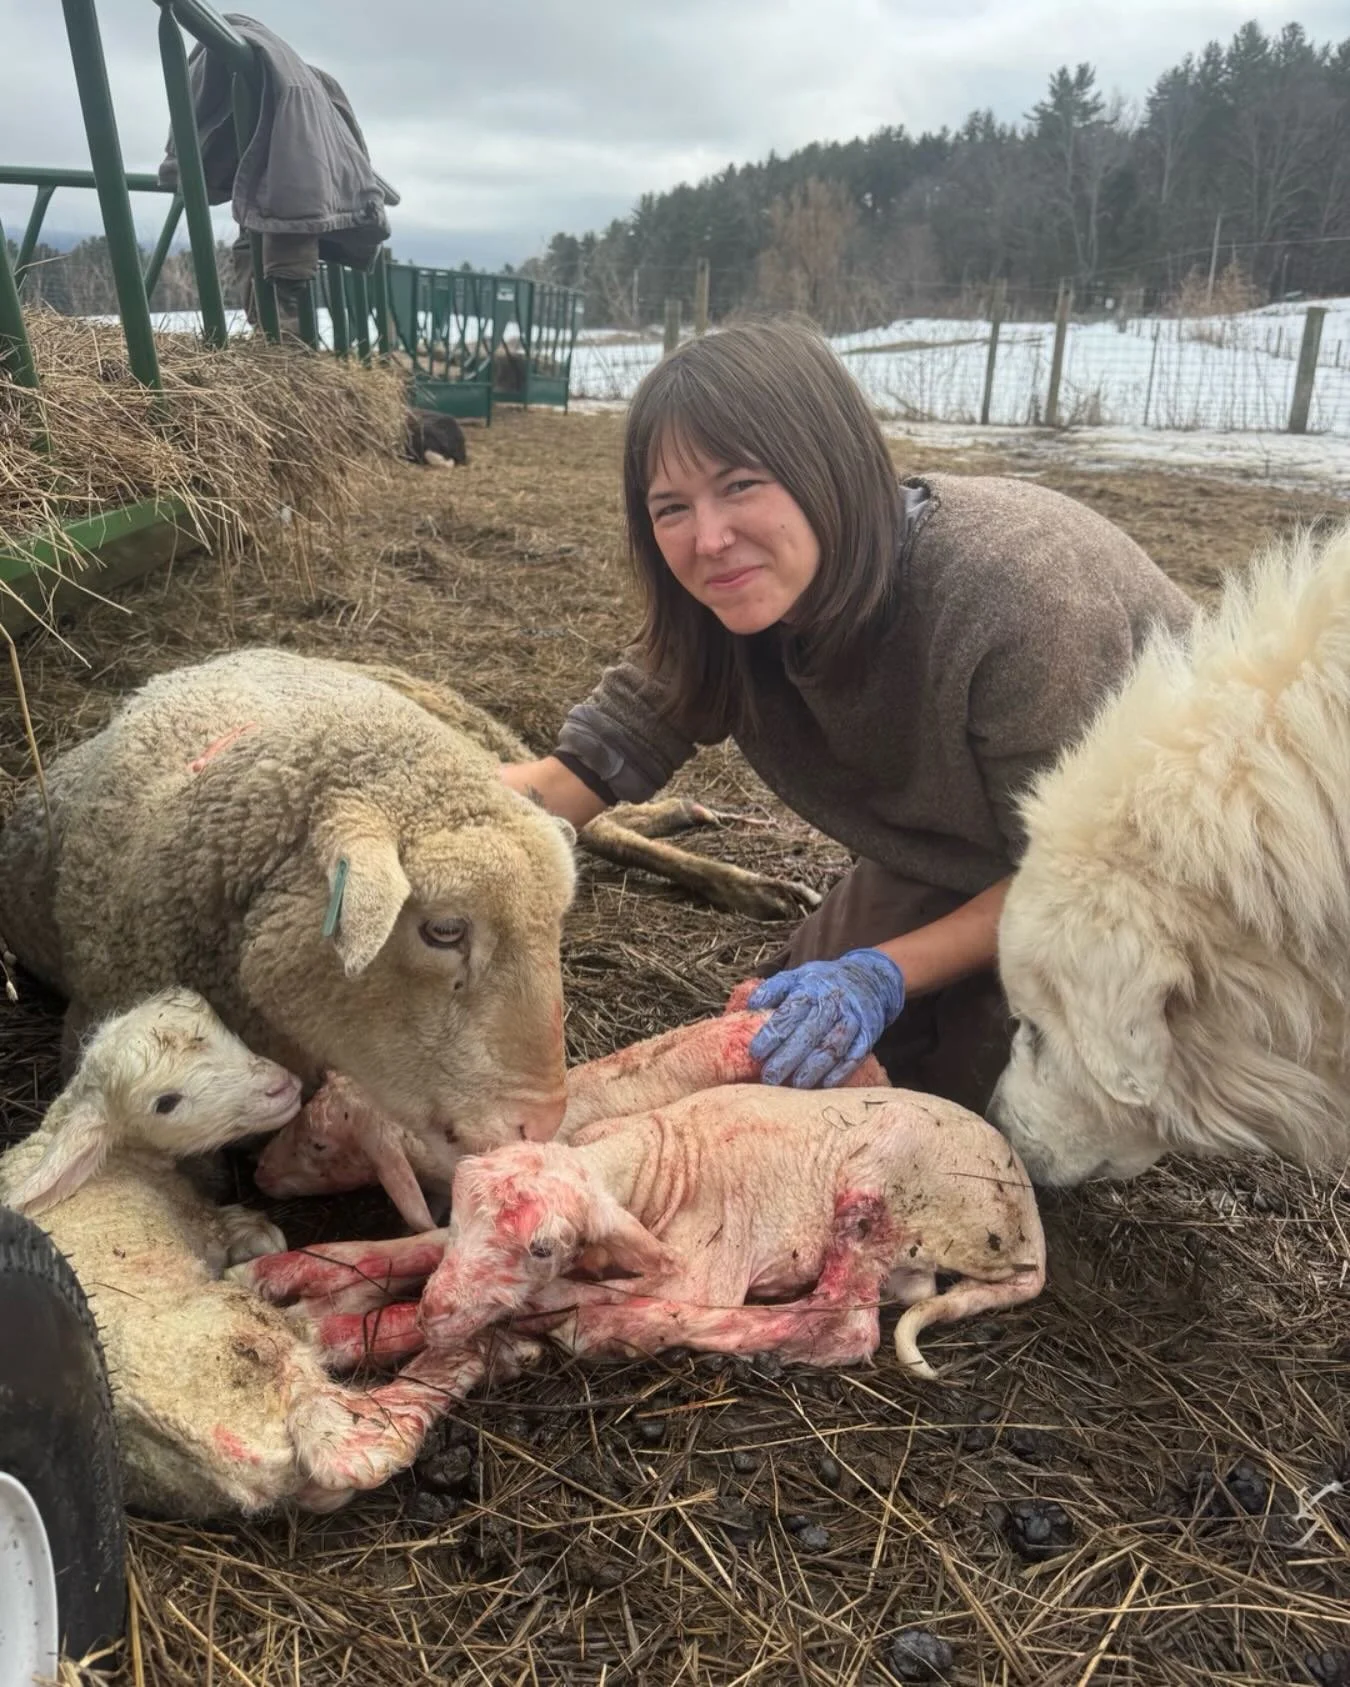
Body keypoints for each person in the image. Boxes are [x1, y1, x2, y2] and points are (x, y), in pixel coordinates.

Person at [499, 317, 1196, 1114]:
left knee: (984, 1107)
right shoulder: (725, 616)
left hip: (1145, 879)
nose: (710, 538)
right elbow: (575, 774)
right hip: (967, 850)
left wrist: (882, 974)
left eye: (739, 484)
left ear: (827, 464)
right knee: (779, 1053)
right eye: (671, 508)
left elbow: (1076, 876)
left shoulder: (1014, 597)